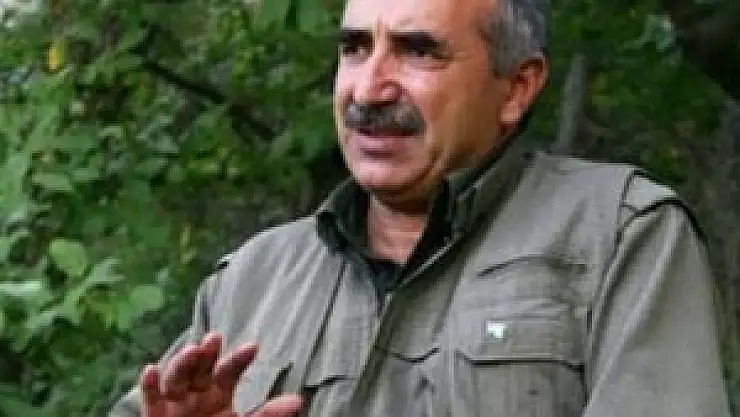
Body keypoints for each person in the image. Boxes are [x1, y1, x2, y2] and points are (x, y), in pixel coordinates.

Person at [109, 0, 732, 415]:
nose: (369, 89)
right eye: (355, 48)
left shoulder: (619, 233)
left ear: (517, 87)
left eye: (418, 51)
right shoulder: (253, 279)